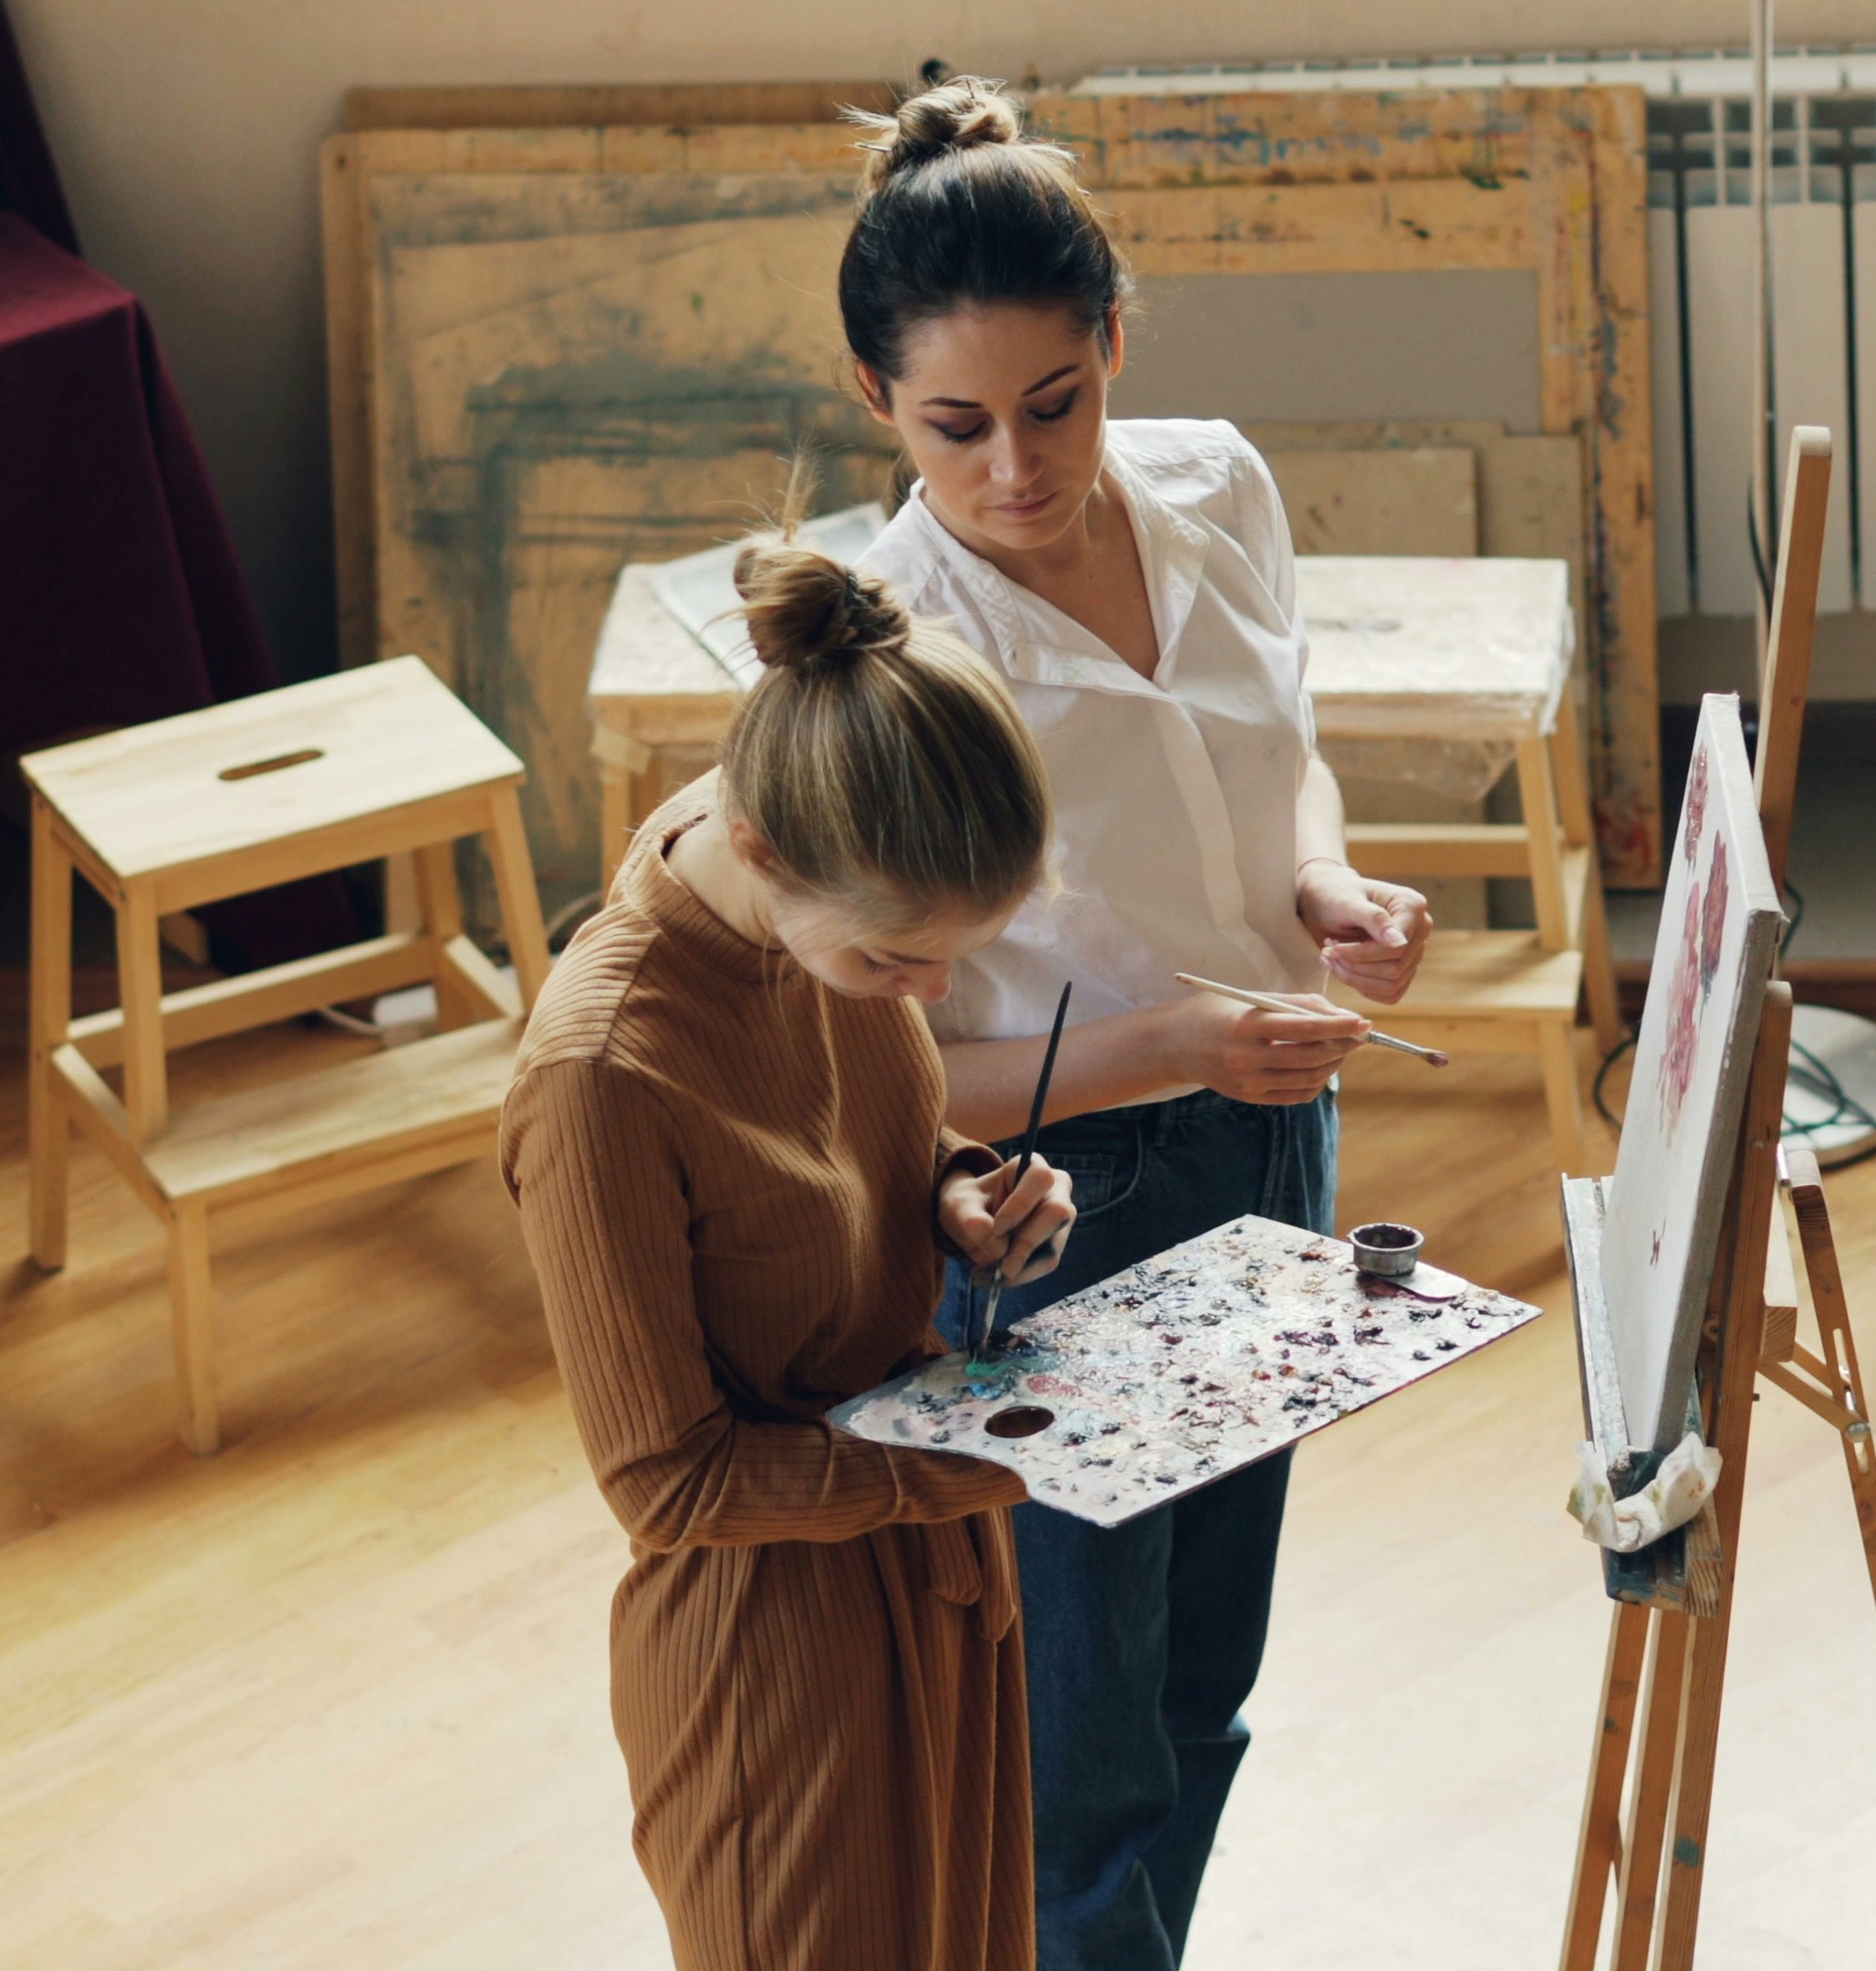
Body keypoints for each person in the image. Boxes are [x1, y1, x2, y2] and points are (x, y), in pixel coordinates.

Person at [838, 75, 1436, 1969]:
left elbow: (1288, 758)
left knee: (1203, 1699)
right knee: (1082, 1763)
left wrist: (1325, 886)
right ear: (876, 408)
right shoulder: (887, 652)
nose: (1015, 468)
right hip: (1052, 1201)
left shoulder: (1219, 485)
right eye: (954, 428)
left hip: (1273, 1129)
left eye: (1055, 403)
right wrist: (1169, 1046)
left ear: (1116, 342)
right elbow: (871, 1075)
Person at [500, 525, 1079, 1971]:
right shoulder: (604, 1075)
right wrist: (972, 1455)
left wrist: (952, 1190)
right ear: (760, 847)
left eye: (955, 957)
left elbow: (866, 1125)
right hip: (777, 1653)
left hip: (936, 1562)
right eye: (895, 964)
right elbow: (669, 1479)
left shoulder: (791, 845)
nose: (930, 993)